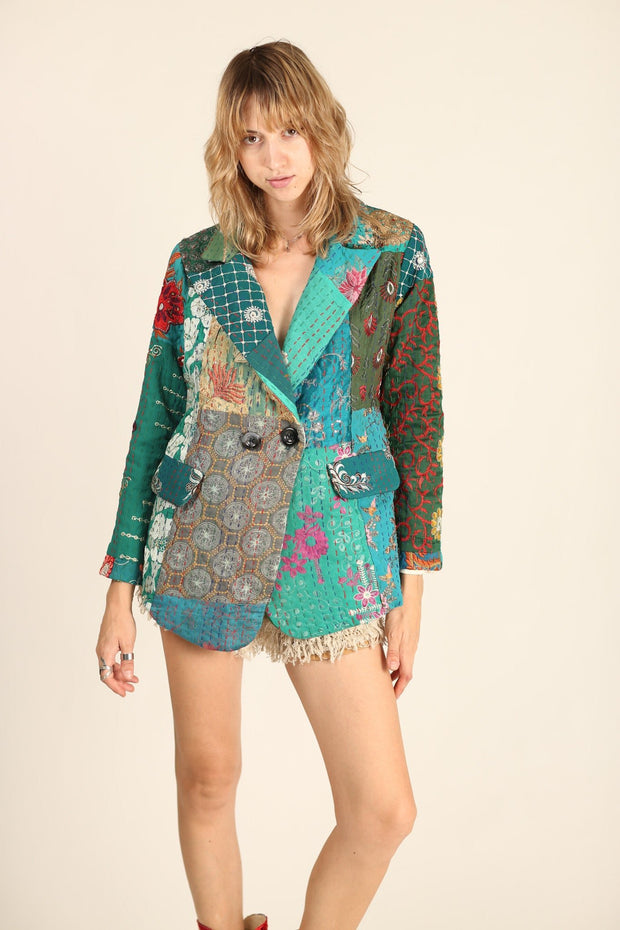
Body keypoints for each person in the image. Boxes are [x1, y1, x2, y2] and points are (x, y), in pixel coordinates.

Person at [95, 39, 444, 930]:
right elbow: (153, 421)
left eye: (289, 130)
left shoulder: (390, 251)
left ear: (321, 127)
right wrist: (120, 589)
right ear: (232, 149)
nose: (274, 156)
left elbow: (417, 419)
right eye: (251, 138)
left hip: (336, 543)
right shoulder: (197, 263)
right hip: (206, 532)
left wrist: (410, 589)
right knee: (208, 777)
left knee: (382, 810)